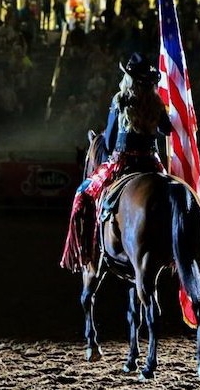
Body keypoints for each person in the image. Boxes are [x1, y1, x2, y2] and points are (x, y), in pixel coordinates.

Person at [60, 52, 173, 272]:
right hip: (152, 162)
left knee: (83, 193)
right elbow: (167, 129)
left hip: (124, 159)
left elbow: (110, 141)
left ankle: (87, 250)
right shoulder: (157, 103)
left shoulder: (120, 100)